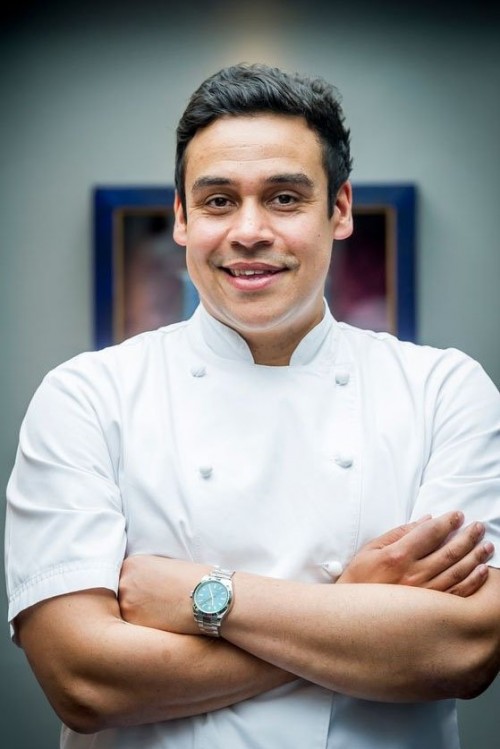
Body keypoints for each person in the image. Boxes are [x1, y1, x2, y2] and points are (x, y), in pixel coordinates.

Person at [5, 62, 500, 749]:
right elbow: (83, 680)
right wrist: (357, 610)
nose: (248, 230)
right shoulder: (86, 397)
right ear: (181, 218)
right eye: (217, 201)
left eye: (284, 198)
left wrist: (200, 598)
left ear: (340, 209)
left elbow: (465, 650)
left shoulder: (445, 390)